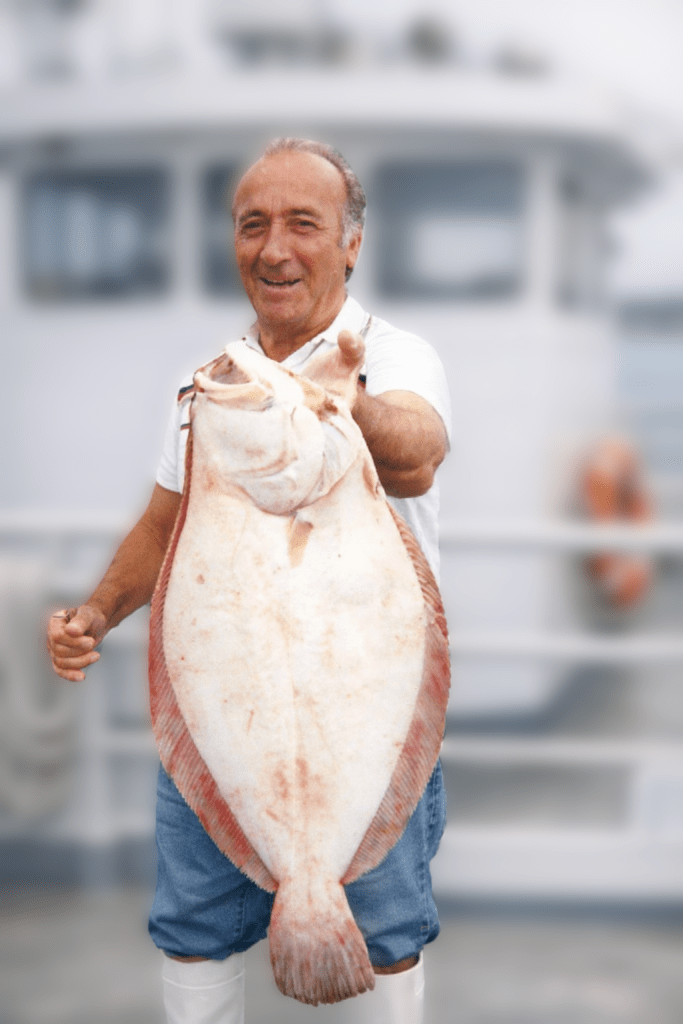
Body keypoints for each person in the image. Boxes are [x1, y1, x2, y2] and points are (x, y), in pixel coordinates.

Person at [47, 137, 451, 1024]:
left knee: (381, 930)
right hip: (224, 703)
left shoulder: (388, 357)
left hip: (361, 711)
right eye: (251, 225)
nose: (274, 248)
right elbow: (164, 525)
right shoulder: (212, 388)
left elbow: (418, 455)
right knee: (191, 923)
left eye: (303, 224)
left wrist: (349, 403)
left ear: (350, 243)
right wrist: (98, 611)